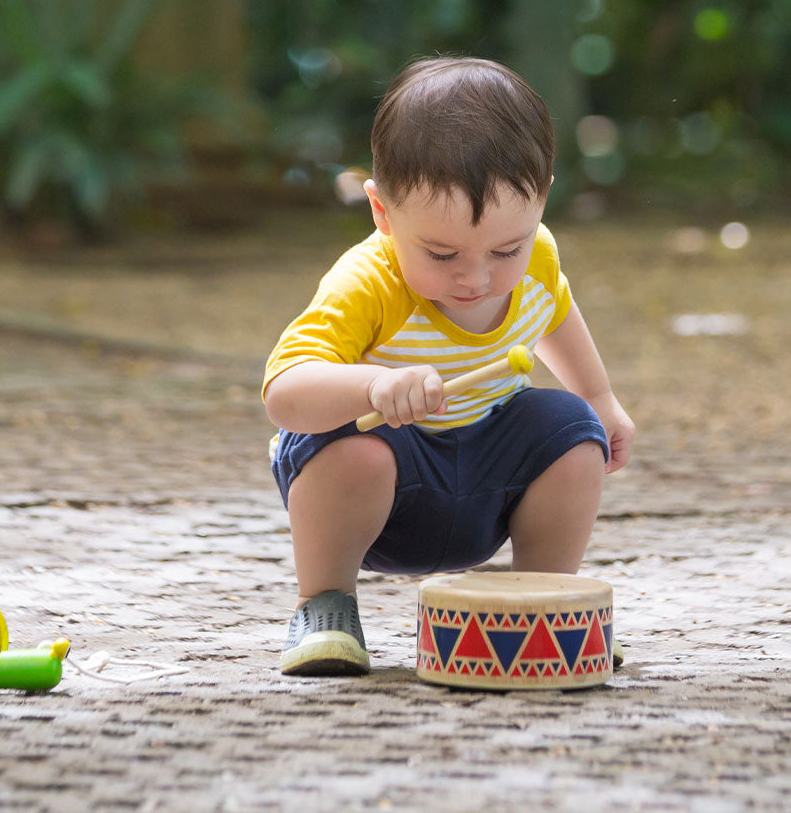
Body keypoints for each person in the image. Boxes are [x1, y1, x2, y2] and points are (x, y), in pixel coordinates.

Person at [263, 56, 636, 676]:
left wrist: (600, 398)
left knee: (572, 432)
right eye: (441, 254)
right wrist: (374, 385)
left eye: (505, 249)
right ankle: (324, 603)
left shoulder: (537, 257)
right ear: (382, 214)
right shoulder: (366, 282)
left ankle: (543, 606)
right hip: (384, 499)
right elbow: (284, 392)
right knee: (350, 448)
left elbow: (556, 312)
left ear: (542, 197)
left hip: (485, 481)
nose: (477, 277)